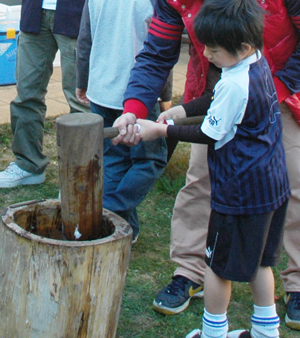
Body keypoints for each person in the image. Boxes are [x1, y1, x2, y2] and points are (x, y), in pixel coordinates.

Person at [113, 0, 300, 330]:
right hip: (225, 88)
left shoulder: (244, 77)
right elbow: (156, 55)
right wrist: (134, 108)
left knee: (293, 183)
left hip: (279, 89)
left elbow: (208, 133)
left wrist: (162, 129)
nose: (204, 50)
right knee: (201, 181)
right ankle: (189, 270)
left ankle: (295, 285)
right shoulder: (175, 2)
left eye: (209, 47)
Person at [75, 0, 170, 242]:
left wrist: (82, 79)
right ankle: (110, 210)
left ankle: (126, 228)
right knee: (150, 160)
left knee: (115, 159)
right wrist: (165, 97)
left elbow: (85, 38)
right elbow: (162, 50)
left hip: (102, 87)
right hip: (138, 94)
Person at [0, 0, 90, 189]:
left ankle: (80, 175)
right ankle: (29, 165)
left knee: (81, 101)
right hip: (35, 14)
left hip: (76, 14)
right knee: (26, 94)